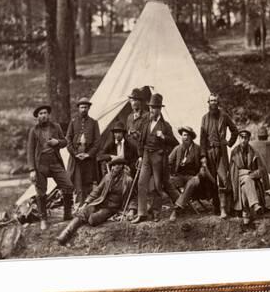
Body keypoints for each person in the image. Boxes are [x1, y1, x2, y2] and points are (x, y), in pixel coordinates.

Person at [57, 158, 133, 245]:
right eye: (114, 165)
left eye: (118, 165)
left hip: (112, 208)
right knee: (84, 212)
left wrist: (131, 210)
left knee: (92, 219)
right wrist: (86, 203)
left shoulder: (128, 180)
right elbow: (97, 191)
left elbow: (132, 197)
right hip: (100, 202)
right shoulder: (108, 177)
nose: (115, 167)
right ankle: (65, 235)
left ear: (122, 166)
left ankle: (89, 220)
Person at [132, 93, 180, 223]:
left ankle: (156, 212)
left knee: (158, 185)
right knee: (141, 182)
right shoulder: (146, 123)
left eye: (154, 108)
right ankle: (142, 213)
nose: (151, 110)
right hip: (146, 155)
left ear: (159, 109)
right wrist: (140, 156)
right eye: (150, 107)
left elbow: (175, 142)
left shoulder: (165, 126)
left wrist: (164, 137)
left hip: (158, 156)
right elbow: (141, 140)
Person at [26, 105, 74, 230]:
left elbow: (65, 142)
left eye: (45, 113)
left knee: (68, 185)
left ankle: (67, 214)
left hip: (55, 162)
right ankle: (43, 219)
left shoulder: (56, 127)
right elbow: (30, 151)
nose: (43, 115)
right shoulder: (34, 130)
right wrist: (32, 169)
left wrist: (57, 142)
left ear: (48, 114)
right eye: (41, 113)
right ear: (37, 116)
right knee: (41, 192)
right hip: (40, 164)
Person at [199, 93, 239, 218]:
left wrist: (229, 142)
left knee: (223, 179)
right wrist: (203, 156)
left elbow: (235, 130)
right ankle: (216, 207)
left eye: (215, 101)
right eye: (211, 101)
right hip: (209, 152)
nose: (213, 103)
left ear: (218, 102)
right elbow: (202, 139)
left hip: (221, 152)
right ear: (208, 103)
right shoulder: (204, 118)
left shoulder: (224, 116)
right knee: (211, 180)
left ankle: (226, 208)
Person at [229, 129, 270, 230]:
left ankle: (246, 216)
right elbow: (233, 172)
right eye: (241, 137)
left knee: (245, 185)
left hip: (249, 180)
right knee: (247, 178)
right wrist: (247, 172)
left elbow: (261, 169)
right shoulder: (234, 152)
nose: (243, 140)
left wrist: (253, 174)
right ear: (239, 138)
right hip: (237, 179)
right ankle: (255, 205)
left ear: (248, 139)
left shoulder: (253, 151)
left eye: (246, 138)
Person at [167, 126, 208, 221]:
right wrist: (167, 173)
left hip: (193, 176)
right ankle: (182, 202)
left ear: (191, 137)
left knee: (192, 182)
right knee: (167, 182)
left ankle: (177, 209)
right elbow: (168, 162)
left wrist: (201, 172)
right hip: (180, 176)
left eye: (187, 135)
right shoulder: (177, 149)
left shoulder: (198, 149)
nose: (185, 137)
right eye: (183, 135)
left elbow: (203, 162)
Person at [66, 97, 101, 207]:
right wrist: (75, 154)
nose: (83, 109)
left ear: (89, 108)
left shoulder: (94, 123)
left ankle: (87, 206)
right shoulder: (73, 122)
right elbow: (68, 140)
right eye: (81, 107)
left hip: (89, 159)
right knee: (77, 183)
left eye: (86, 107)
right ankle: (78, 206)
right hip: (75, 159)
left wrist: (88, 154)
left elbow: (97, 142)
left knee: (88, 182)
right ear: (78, 109)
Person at [123, 88, 149, 220]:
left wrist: (136, 135)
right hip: (131, 155)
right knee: (130, 180)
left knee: (140, 181)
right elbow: (127, 137)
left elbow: (146, 137)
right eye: (132, 100)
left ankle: (140, 208)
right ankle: (132, 207)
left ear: (141, 102)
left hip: (142, 153)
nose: (133, 103)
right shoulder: (128, 118)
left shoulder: (146, 116)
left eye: (136, 100)